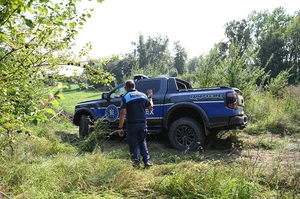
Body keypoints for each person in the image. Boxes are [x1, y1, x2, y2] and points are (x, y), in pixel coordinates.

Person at [118, 80, 153, 168]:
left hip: (132, 125)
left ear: (126, 88)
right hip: (142, 124)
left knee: (133, 144)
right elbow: (150, 107)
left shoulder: (126, 96)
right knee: (142, 142)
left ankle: (136, 163)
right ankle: (147, 161)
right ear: (134, 86)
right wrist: (150, 97)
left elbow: (123, 112)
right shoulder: (143, 95)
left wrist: (120, 127)